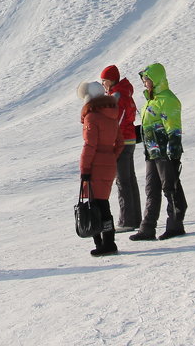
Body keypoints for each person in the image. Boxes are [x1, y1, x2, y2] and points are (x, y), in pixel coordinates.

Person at [129, 63, 187, 242]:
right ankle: (147, 228)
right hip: (151, 152)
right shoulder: (151, 101)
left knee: (169, 187)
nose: (145, 83)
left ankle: (175, 224)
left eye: (147, 80)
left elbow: (173, 128)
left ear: (156, 80)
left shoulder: (167, 100)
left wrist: (174, 154)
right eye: (144, 80)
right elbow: (149, 126)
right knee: (151, 189)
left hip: (164, 153)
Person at [77, 80, 122, 256]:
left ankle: (104, 243)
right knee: (103, 204)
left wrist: (84, 169)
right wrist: (111, 156)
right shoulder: (111, 114)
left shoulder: (92, 117)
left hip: (96, 165)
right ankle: (108, 241)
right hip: (109, 163)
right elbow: (120, 142)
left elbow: (89, 145)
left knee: (96, 205)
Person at [99, 66, 141, 232]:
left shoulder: (118, 95)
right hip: (128, 139)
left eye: (104, 80)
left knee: (123, 181)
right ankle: (135, 218)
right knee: (129, 179)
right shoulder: (121, 93)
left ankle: (128, 220)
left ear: (112, 80)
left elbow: (117, 120)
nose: (103, 84)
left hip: (121, 142)